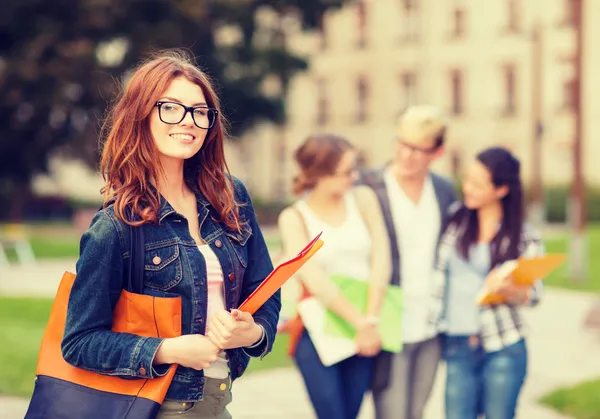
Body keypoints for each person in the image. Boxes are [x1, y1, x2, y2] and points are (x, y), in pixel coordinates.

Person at [61, 50, 281, 418]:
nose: (188, 121)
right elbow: (80, 341)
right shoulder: (117, 225)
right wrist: (168, 350)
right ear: (141, 114)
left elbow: (266, 291)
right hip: (157, 405)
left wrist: (253, 333)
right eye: (171, 107)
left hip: (217, 398)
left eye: (199, 111)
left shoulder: (231, 197)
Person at [278, 133, 391, 419]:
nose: (355, 177)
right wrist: (361, 323)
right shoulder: (294, 217)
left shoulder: (363, 199)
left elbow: (381, 257)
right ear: (319, 175)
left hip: (368, 323)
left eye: (356, 168)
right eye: (346, 172)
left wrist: (371, 320)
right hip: (318, 331)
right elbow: (313, 279)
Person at [428, 147, 544, 419]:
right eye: (467, 180)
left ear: (501, 189)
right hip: (457, 344)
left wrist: (507, 290)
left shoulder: (524, 235)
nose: (467, 188)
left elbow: (535, 295)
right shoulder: (454, 221)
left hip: (503, 345)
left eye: (477, 185)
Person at [360, 105, 458, 419]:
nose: (407, 155)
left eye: (418, 149)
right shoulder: (370, 186)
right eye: (402, 144)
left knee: (416, 411)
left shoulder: (443, 191)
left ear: (437, 152)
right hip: (389, 319)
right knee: (391, 411)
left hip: (431, 322)